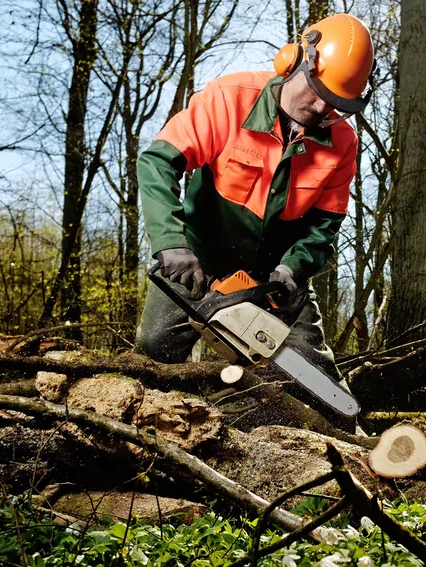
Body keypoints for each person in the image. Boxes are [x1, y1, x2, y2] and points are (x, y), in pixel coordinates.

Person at [135, 13, 374, 427]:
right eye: (317, 92)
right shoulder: (230, 98)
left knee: (319, 385)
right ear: (293, 61)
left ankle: (347, 442)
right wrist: (171, 242)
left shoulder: (342, 143)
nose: (322, 108)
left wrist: (292, 269)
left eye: (336, 103)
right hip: (197, 262)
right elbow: (157, 162)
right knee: (154, 350)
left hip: (273, 277)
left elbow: (324, 227)